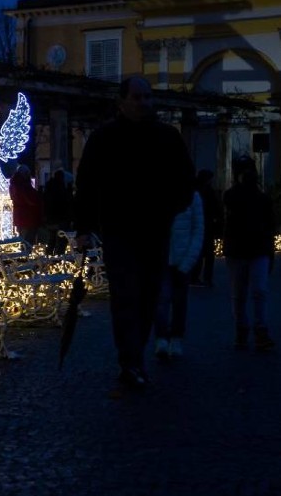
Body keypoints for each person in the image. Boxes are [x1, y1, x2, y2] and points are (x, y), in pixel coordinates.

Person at [74, 76, 195, 388]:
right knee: (126, 295)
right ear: (122, 101)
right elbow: (86, 185)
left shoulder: (167, 137)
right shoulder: (104, 138)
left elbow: (185, 181)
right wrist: (84, 228)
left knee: (148, 297)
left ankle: (133, 355)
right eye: (138, 97)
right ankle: (130, 360)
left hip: (155, 230)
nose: (144, 102)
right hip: (119, 230)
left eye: (147, 97)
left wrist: (169, 209)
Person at [222, 157, 277, 350]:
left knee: (252, 292)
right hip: (244, 250)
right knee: (246, 293)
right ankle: (246, 328)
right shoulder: (236, 196)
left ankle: (254, 329)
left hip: (250, 249)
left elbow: (271, 226)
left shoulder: (258, 198)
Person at [153, 191, 204, 360]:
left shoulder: (192, 196)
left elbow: (198, 229)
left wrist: (189, 260)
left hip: (180, 257)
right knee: (163, 299)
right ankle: (162, 337)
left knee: (178, 300)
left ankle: (174, 337)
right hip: (163, 257)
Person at [190, 169, 223, 287]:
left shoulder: (194, 191)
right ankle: (206, 278)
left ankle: (195, 276)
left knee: (198, 252)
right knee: (208, 254)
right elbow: (216, 209)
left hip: (199, 225)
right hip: (207, 226)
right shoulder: (209, 192)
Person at [8, 164, 43, 247]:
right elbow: (31, 200)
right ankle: (26, 257)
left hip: (20, 217)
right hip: (28, 217)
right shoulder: (24, 186)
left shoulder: (14, 185)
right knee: (28, 241)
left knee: (23, 240)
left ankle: (23, 257)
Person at [43, 169, 74, 254]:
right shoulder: (61, 189)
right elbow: (66, 203)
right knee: (61, 240)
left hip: (51, 219)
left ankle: (49, 258)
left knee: (52, 240)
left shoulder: (50, 186)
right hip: (60, 219)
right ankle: (58, 260)